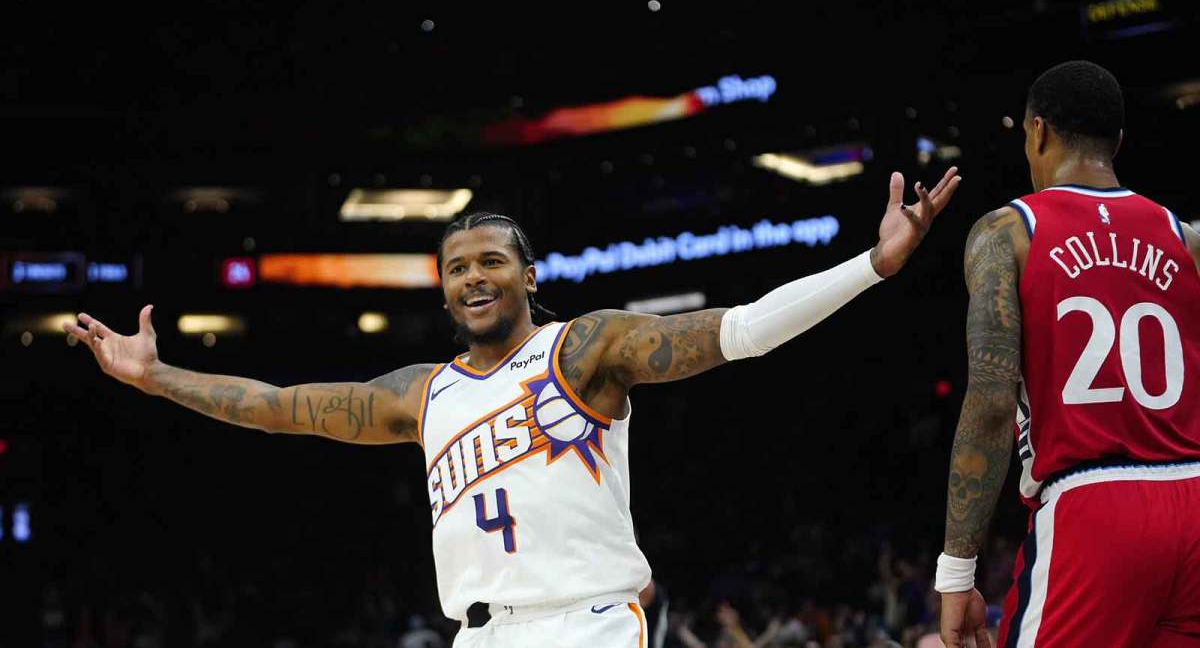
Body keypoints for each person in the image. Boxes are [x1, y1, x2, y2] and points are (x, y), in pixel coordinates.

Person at [66, 167, 959, 648]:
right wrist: (156, 378)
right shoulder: (423, 393)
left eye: (491, 261)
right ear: (446, 293)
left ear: (528, 276)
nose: (474, 277)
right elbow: (276, 405)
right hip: (480, 636)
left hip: (589, 625)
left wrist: (871, 267)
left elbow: (743, 329)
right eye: (457, 269)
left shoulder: (586, 348)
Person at [936, 60, 1200, 648]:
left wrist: (957, 570)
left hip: (1094, 508)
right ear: (1119, 142)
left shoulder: (1008, 232)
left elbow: (991, 399)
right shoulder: (1184, 238)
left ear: (1037, 131)